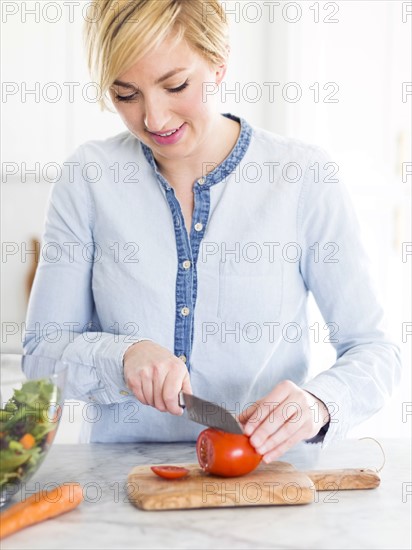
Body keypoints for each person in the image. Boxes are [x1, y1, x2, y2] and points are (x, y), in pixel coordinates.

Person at [24, 0, 401, 460]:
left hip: (266, 483)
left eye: (176, 85)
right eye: (126, 95)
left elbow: (374, 351)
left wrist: (317, 403)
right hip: (121, 487)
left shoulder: (302, 176)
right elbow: (41, 355)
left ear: (220, 63)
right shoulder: (89, 177)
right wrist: (122, 356)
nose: (155, 119)